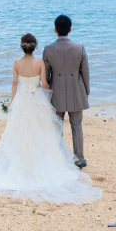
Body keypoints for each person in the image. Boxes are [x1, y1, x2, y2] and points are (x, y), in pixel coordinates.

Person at [0, 33, 101, 204]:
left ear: (22, 46)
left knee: (20, 131)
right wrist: (45, 91)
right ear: (35, 46)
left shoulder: (16, 62)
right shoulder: (39, 63)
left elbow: (15, 83)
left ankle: (20, 164)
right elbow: (45, 84)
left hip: (22, 100)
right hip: (36, 99)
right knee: (42, 131)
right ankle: (54, 160)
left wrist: (11, 101)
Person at [42, 15, 89, 168]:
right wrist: (86, 90)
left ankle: (59, 159)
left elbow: (46, 75)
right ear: (70, 29)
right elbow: (85, 72)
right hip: (76, 91)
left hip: (56, 93)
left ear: (55, 30)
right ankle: (79, 159)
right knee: (77, 126)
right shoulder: (79, 47)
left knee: (57, 127)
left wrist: (46, 94)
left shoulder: (48, 49)